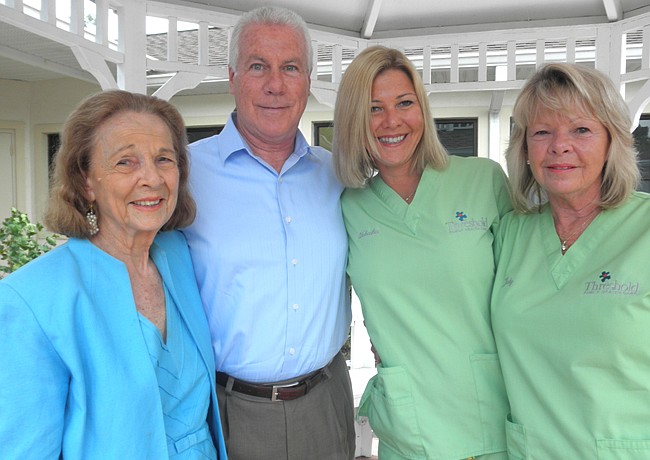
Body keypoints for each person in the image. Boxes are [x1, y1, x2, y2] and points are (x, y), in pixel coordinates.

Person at [0, 90, 227, 459]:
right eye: (125, 162)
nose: (152, 178)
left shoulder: (179, 257)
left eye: (163, 159)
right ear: (86, 181)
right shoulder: (31, 298)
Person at [181, 6, 354, 460]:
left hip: (326, 403)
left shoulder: (338, 175)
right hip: (227, 412)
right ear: (232, 77)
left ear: (308, 81)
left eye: (290, 68)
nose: (276, 85)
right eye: (258, 66)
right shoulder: (183, 174)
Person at [332, 45, 511, 459]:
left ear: (423, 110)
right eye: (373, 109)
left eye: (404, 103)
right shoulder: (348, 207)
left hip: (491, 418)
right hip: (409, 430)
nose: (391, 121)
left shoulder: (484, 181)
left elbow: (526, 293)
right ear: (355, 120)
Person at [491, 62, 650, 458]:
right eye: (542, 132)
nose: (559, 146)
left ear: (612, 141)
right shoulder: (509, 234)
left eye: (580, 130)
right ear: (525, 148)